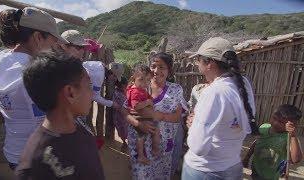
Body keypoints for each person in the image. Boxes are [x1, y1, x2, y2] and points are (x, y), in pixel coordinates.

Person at [0, 7, 67, 170]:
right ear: (37, 37)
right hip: (36, 154)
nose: (55, 46)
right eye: (53, 40)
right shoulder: (34, 74)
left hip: (12, 150)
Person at [15, 52, 104, 180]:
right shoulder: (34, 166)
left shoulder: (81, 130)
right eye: (88, 85)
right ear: (70, 93)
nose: (92, 94)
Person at [182, 37, 258, 180]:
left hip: (206, 170)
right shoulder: (243, 84)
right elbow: (243, 123)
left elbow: (198, 147)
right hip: (232, 166)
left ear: (209, 63)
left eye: (198, 59)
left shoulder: (213, 92)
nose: (196, 63)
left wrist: (192, 126)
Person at [125, 52, 188, 180]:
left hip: (162, 145)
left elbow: (177, 117)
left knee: (161, 175)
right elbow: (124, 111)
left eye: (162, 67)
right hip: (140, 145)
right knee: (141, 175)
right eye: (153, 66)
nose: (156, 70)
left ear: (169, 71)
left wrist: (157, 115)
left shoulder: (175, 90)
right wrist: (138, 124)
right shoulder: (140, 84)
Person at [243, 104, 303, 180]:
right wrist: (247, 158)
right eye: (274, 118)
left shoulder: (288, 138)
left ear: (292, 125)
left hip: (270, 175)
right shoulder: (264, 127)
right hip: (256, 168)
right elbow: (257, 143)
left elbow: (296, 159)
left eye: (281, 122)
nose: (275, 123)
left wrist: (293, 136)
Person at [127, 64, 161, 165]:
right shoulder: (134, 91)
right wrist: (147, 102)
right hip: (140, 119)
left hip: (144, 118)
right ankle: (143, 155)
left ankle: (153, 150)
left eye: (147, 80)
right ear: (134, 78)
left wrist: (149, 100)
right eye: (141, 80)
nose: (144, 83)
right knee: (141, 137)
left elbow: (149, 98)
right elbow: (135, 106)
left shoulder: (141, 90)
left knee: (151, 133)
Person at [112, 77, 128, 151]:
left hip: (128, 116)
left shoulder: (129, 91)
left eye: (125, 85)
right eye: (122, 85)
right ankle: (124, 142)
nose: (124, 87)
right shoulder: (116, 93)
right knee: (121, 130)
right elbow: (115, 104)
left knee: (129, 130)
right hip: (119, 116)